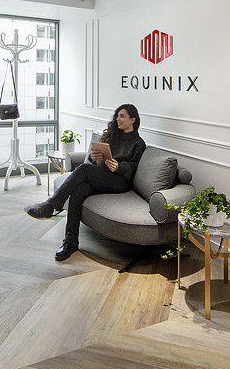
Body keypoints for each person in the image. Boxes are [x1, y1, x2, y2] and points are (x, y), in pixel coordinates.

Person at [25, 104, 146, 261]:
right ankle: (70, 242)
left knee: (83, 170)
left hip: (120, 182)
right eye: (117, 115)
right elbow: (94, 161)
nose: (118, 119)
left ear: (133, 120)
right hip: (104, 176)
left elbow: (133, 170)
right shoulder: (113, 135)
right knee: (79, 191)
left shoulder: (138, 143)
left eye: (122, 116)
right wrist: (95, 159)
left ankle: (52, 205)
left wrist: (119, 166)